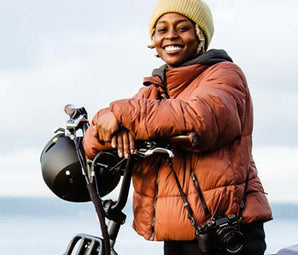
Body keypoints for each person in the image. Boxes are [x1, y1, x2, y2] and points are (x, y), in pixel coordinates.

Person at [82, 0, 273, 254]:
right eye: (162, 30)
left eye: (182, 28)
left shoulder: (224, 75)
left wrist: (121, 115)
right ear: (154, 40)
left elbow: (201, 117)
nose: (171, 35)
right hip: (179, 229)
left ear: (200, 35)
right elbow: (92, 142)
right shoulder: (154, 91)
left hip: (226, 230)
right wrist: (115, 122)